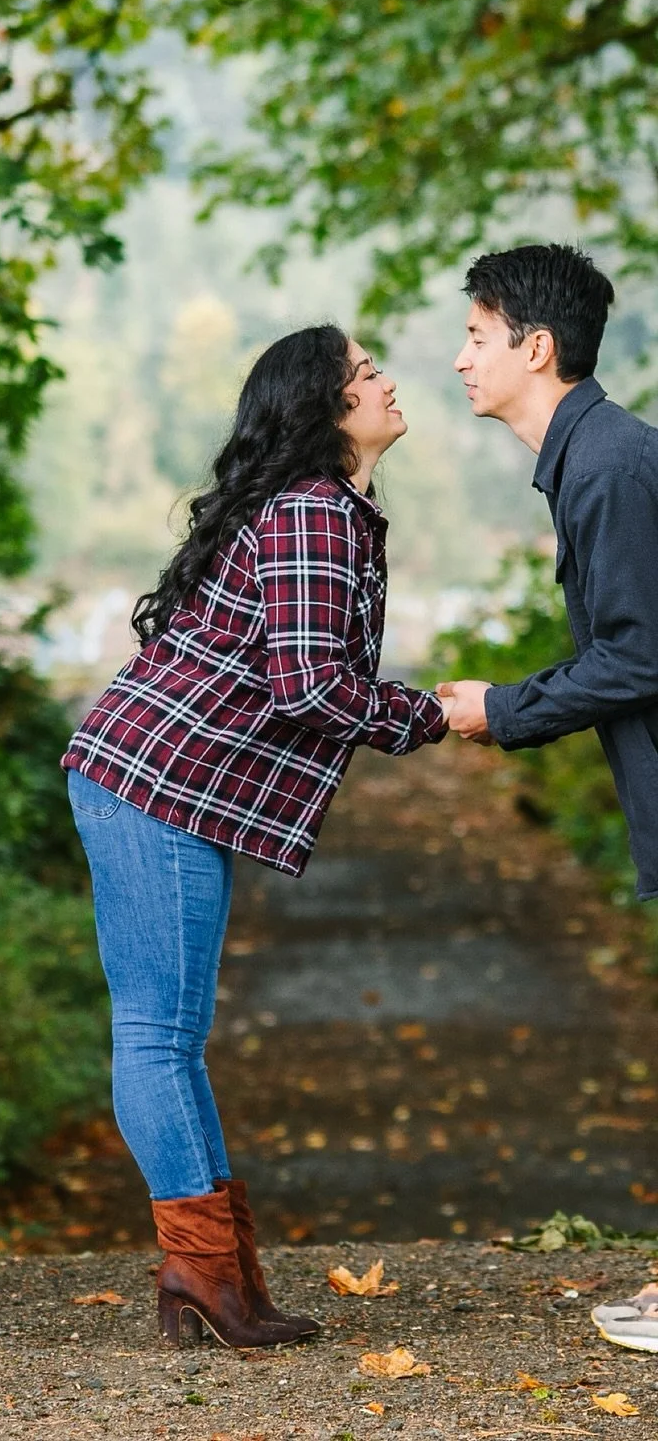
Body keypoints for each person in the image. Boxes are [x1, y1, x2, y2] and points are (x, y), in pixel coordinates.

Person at [63, 325, 447, 1349]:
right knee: (156, 1034)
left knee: (169, 1037)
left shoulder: (331, 511)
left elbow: (306, 678)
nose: (388, 380)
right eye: (367, 372)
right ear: (326, 405)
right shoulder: (316, 511)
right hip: (150, 784)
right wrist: (441, 715)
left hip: (158, 786)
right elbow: (315, 685)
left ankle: (219, 1278)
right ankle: (203, 1276)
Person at [438, 242, 658, 1353]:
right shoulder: (591, 460)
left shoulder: (610, 466)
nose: (460, 358)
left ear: (537, 346)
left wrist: (502, 708)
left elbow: (639, 655)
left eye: (478, 337)